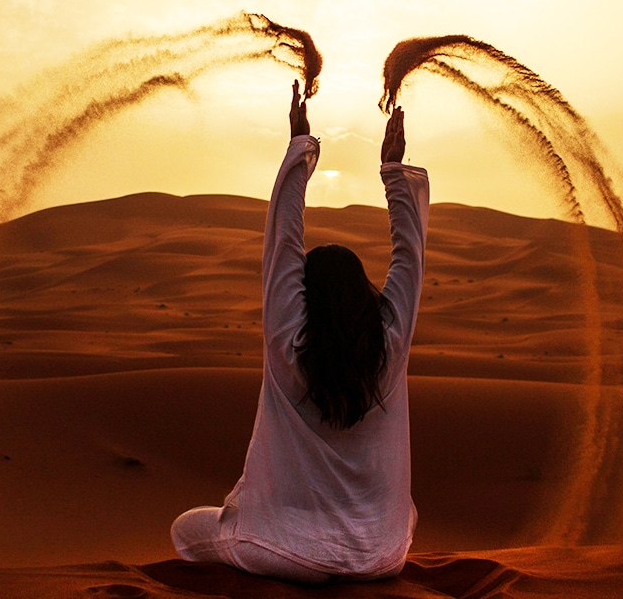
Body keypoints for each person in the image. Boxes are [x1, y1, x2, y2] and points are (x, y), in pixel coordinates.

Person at [170, 80, 430, 585]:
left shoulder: (288, 343)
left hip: (283, 550)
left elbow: (283, 242)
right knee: (405, 516)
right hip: (382, 555)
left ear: (304, 296)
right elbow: (410, 257)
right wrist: (394, 171)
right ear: (365, 295)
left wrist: (299, 147)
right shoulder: (390, 346)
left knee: (186, 530)